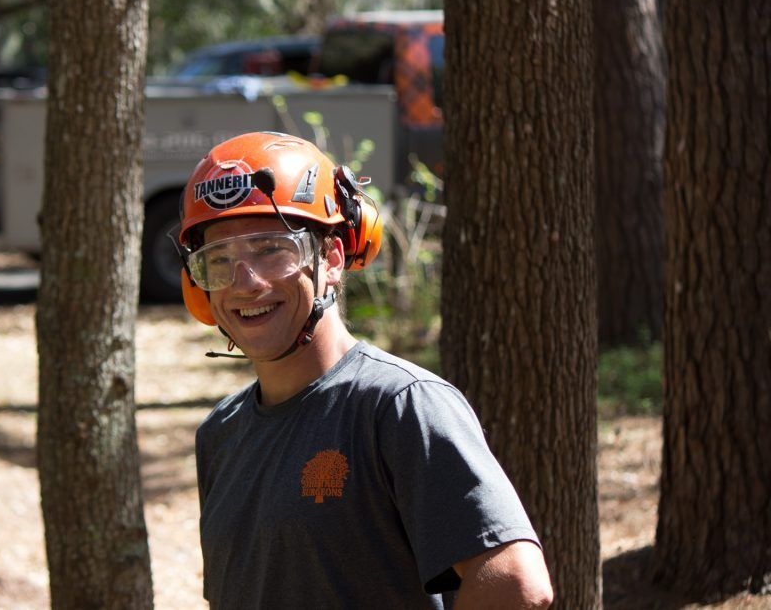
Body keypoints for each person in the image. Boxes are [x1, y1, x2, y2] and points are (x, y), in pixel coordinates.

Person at [176, 132, 553, 609]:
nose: (246, 282)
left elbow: (516, 585)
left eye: (272, 248)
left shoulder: (399, 406)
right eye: (220, 261)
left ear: (332, 258)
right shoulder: (221, 433)